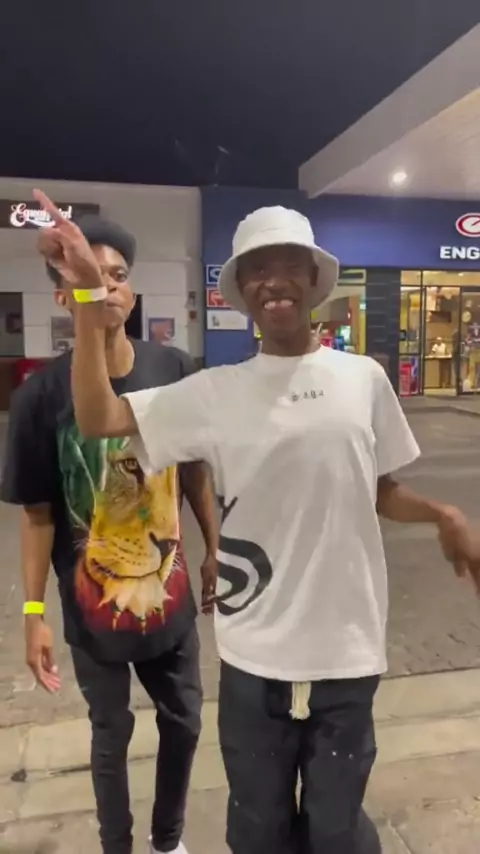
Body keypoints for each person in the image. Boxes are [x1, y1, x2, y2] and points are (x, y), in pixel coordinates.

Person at [32, 192, 480, 854]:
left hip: (347, 648)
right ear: (241, 290)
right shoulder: (214, 391)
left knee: (336, 828)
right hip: (253, 657)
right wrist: (89, 299)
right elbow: (100, 418)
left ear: (314, 279)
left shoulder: (363, 379)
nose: (274, 280)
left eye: (289, 264)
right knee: (258, 829)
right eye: (258, 269)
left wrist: (442, 513)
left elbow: (379, 489)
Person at [1, 213, 219, 854]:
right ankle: (117, 846)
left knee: (185, 722)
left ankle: (167, 840)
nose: (109, 288)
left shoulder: (173, 367)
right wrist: (34, 613)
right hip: (91, 609)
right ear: (64, 298)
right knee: (110, 734)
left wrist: (214, 548)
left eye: (119, 276)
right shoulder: (40, 398)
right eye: (90, 277)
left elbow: (195, 470)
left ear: (132, 290)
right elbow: (37, 513)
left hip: (170, 600)